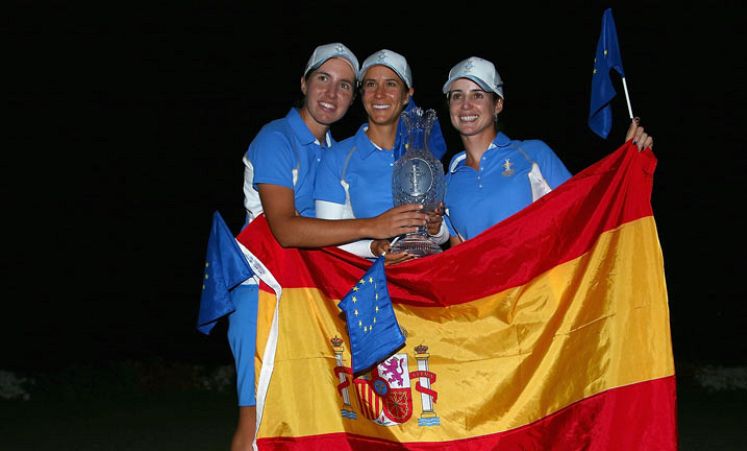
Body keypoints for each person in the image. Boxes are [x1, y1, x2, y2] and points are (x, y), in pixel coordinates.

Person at [229, 43, 428, 451]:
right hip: (262, 294)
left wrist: (375, 245)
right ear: (304, 83)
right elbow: (285, 228)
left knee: (304, 420)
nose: (331, 93)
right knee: (257, 421)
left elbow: (336, 234)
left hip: (305, 299)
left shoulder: (331, 151)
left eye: (344, 86)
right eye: (323, 79)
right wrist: (374, 226)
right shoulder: (276, 137)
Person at [441, 56, 653, 245]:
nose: (466, 105)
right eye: (457, 96)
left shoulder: (533, 154)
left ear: (498, 105)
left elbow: (585, 208)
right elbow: (459, 265)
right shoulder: (446, 183)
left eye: (478, 95)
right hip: (491, 290)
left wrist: (624, 164)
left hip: (545, 288)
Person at [313, 49, 449, 261]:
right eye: (371, 84)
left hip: (424, 278)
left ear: (407, 95)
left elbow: (441, 235)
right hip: (370, 283)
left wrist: (435, 228)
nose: (379, 93)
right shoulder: (338, 158)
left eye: (391, 84)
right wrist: (374, 248)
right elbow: (326, 239)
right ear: (362, 94)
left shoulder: (423, 156)